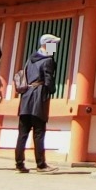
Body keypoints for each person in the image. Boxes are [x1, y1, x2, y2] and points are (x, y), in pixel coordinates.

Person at [14, 33, 60, 173]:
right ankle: (41, 164)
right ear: (47, 45)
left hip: (26, 97)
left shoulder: (30, 59)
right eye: (53, 44)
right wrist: (52, 89)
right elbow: (48, 81)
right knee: (39, 132)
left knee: (23, 133)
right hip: (38, 98)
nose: (55, 47)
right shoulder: (48, 60)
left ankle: (19, 163)